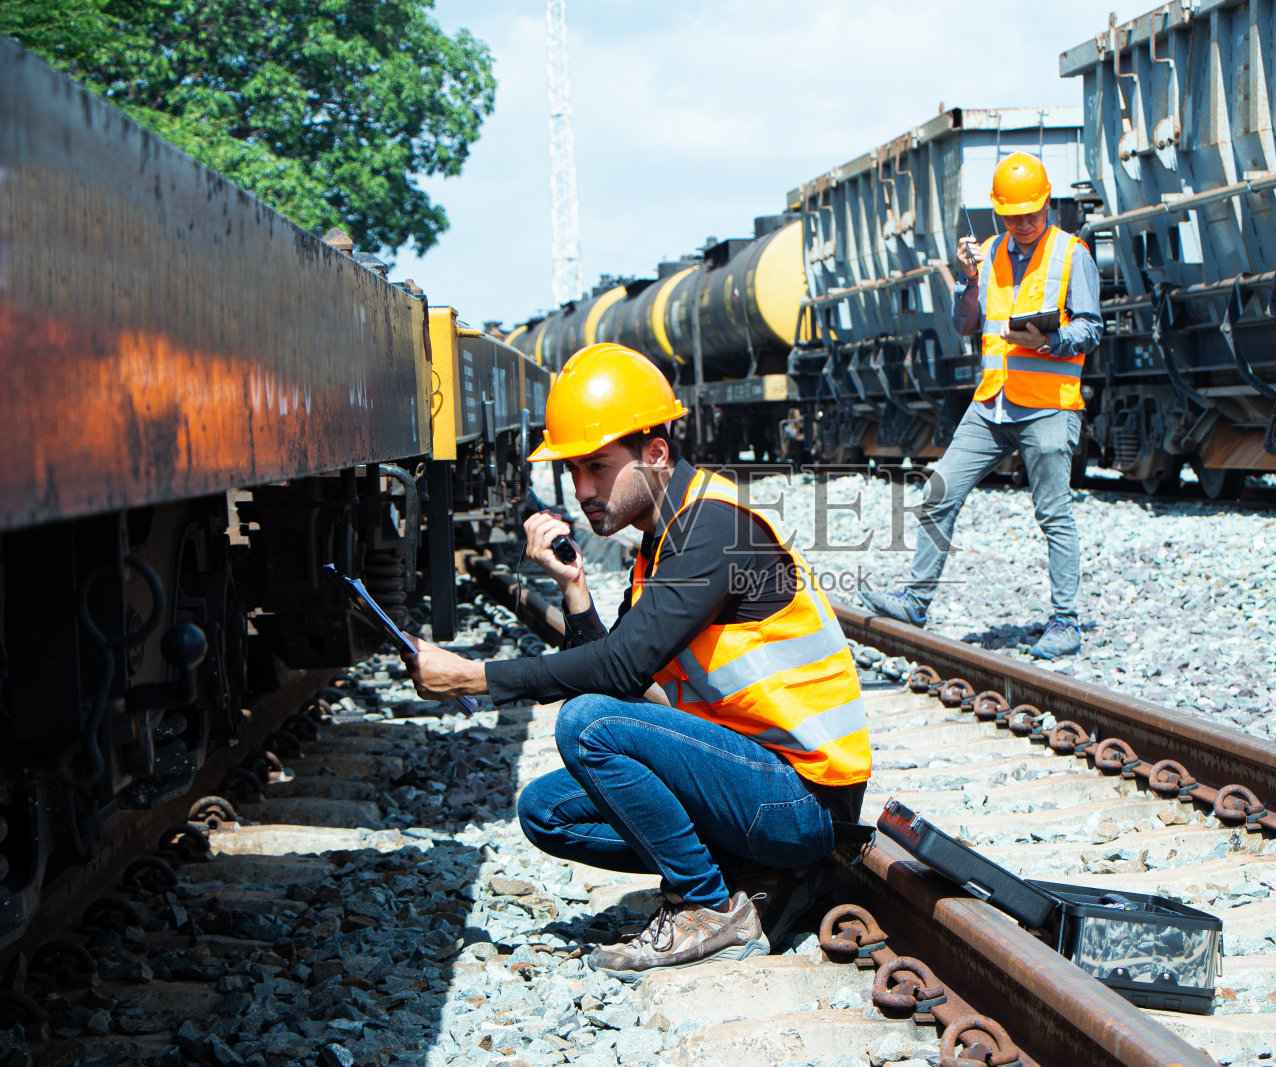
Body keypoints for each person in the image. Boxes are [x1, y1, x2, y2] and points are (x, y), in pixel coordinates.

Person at [402, 343, 871, 980]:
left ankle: (708, 908)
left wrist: (472, 677)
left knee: (586, 724)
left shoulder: (712, 530)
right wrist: (573, 589)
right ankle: (749, 878)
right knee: (546, 810)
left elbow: (616, 677)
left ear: (654, 454)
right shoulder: (661, 542)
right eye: (573, 472)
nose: (582, 490)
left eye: (597, 467)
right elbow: (623, 675)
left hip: (802, 801)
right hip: (747, 778)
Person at [859, 151, 1103, 659]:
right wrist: (968, 280)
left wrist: (1046, 342)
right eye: (1013, 216)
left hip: (1049, 404)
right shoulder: (988, 254)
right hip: (992, 403)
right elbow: (968, 323)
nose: (1024, 224)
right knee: (938, 493)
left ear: (1047, 204)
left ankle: (1066, 623)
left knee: (1054, 514)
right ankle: (915, 600)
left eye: (1032, 214)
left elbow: (1092, 327)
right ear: (999, 213)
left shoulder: (1071, 253)